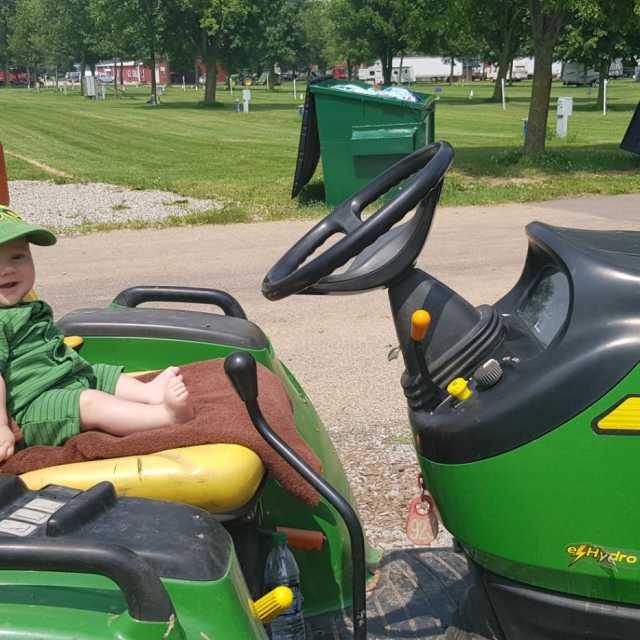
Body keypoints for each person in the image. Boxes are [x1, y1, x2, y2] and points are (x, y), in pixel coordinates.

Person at [0, 206, 193, 462]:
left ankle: (149, 394)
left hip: (64, 379)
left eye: (18, 257)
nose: (8, 270)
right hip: (35, 408)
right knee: (90, 401)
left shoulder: (25, 306)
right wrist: (2, 426)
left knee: (99, 373)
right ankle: (165, 417)